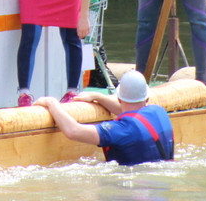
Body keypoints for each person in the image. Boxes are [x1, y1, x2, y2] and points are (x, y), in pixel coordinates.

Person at [34, 69, 174, 166]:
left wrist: (51, 103)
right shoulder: (159, 112)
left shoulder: (121, 130)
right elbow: (133, 114)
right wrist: (99, 97)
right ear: (147, 97)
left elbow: (73, 131)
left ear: (119, 98)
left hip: (132, 189)